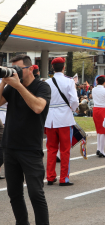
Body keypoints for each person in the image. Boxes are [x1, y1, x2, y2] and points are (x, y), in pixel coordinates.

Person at [0, 54, 51, 224]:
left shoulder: (42, 87)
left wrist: (18, 86)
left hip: (30, 148)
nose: (15, 72)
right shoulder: (11, 87)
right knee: (14, 193)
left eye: (18, 69)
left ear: (30, 69)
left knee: (36, 193)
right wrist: (4, 82)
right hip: (10, 146)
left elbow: (38, 107)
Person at [45, 57, 79, 187]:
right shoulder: (69, 81)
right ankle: (64, 178)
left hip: (50, 119)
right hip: (64, 118)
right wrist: (72, 109)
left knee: (51, 149)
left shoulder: (47, 82)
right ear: (63, 67)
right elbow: (74, 100)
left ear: (52, 68)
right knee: (65, 150)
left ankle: (50, 177)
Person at [93, 75, 105, 158]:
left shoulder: (93, 89)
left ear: (97, 82)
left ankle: (98, 148)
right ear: (104, 82)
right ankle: (102, 150)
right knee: (103, 131)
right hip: (103, 110)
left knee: (99, 130)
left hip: (95, 109)